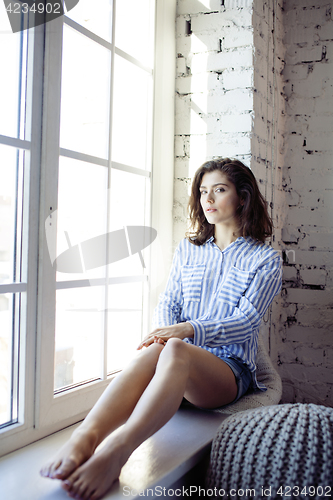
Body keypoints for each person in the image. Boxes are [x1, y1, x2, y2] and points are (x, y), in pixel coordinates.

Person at [40, 158, 282, 500]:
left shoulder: (265, 260)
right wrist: (166, 331)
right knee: (160, 347)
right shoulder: (189, 249)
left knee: (176, 347)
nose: (208, 199)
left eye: (219, 190)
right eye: (202, 191)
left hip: (229, 371)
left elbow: (245, 323)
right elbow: (168, 300)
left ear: (242, 198)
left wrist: (186, 329)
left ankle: (117, 452)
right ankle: (85, 438)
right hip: (177, 357)